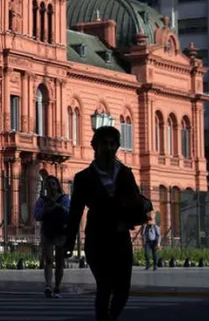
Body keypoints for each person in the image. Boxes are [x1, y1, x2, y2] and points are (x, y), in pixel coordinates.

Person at [65, 126, 147, 321]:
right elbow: (75, 211)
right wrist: (69, 242)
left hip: (120, 238)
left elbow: (134, 199)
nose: (109, 148)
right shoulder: (83, 178)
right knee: (104, 286)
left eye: (113, 144)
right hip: (97, 238)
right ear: (95, 146)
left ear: (118, 146)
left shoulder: (126, 173)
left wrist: (139, 207)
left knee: (123, 289)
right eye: (105, 144)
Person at [35, 175, 71, 298]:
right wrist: (45, 209)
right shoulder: (42, 200)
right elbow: (37, 215)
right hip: (47, 230)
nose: (51, 186)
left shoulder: (64, 199)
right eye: (48, 183)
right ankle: (48, 285)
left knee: (60, 261)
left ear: (57, 186)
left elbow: (69, 213)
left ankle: (57, 286)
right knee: (49, 259)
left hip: (60, 230)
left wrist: (57, 206)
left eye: (53, 183)